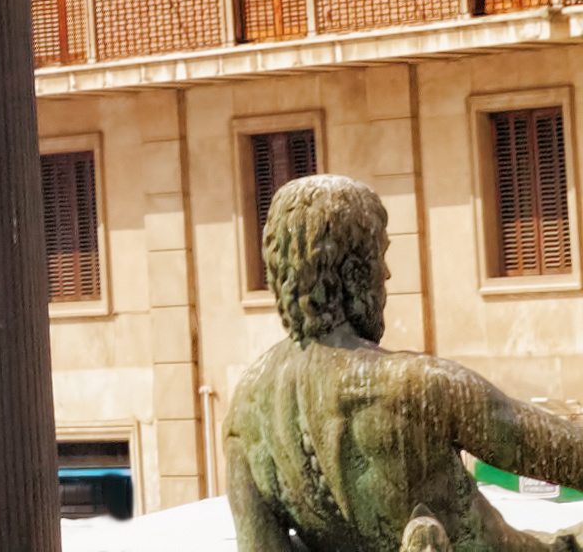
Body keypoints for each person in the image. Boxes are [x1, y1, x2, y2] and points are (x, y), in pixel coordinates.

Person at [230, 175, 583, 552]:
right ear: (354, 272)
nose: (387, 275)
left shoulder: (244, 413)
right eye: (380, 257)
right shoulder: (418, 387)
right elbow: (569, 457)